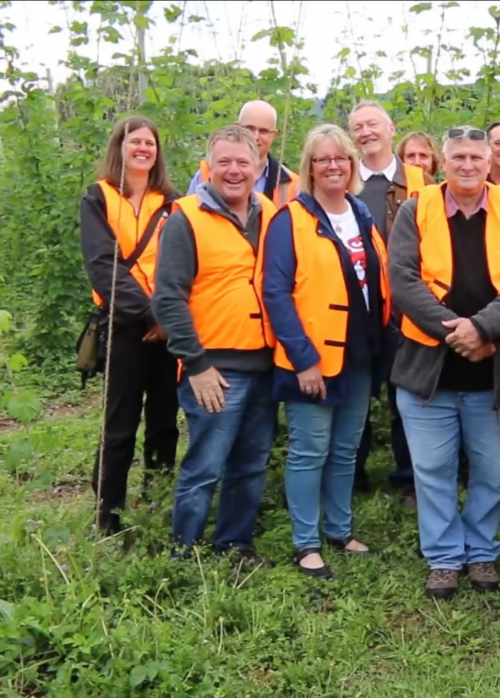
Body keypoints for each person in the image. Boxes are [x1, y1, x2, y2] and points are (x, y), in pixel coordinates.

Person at [389, 125, 500, 599]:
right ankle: (443, 558)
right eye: (458, 158)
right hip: (428, 369)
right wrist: (454, 331)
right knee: (432, 469)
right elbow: (402, 278)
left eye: (476, 157)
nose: (468, 166)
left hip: (492, 367)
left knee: (492, 470)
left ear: (489, 161)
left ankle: (480, 551)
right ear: (444, 162)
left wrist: (484, 328)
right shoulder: (416, 209)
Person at [260, 124, 391, 579]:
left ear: (352, 164)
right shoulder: (290, 218)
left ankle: (339, 529)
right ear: (309, 168)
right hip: (313, 358)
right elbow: (274, 292)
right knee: (309, 450)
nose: (332, 166)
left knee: (346, 449)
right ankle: (305, 542)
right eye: (322, 159)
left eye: (341, 158)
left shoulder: (360, 212)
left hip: (359, 352)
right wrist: (303, 359)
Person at [152, 124, 278, 564]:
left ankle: (234, 544)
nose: (234, 171)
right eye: (224, 161)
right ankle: (183, 555)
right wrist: (198, 364)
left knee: (250, 464)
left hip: (265, 364)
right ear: (208, 166)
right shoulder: (185, 217)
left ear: (258, 166)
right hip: (215, 368)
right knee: (205, 467)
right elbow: (167, 297)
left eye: (243, 162)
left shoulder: (271, 213)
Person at [79, 116, 180, 535]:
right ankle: (109, 518)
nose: (143, 149)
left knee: (163, 422)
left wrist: (167, 316)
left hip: (168, 330)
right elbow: (104, 265)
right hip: (124, 326)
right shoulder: (98, 197)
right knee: (119, 426)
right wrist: (149, 314)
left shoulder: (172, 201)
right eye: (135, 141)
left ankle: (155, 507)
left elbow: (182, 262)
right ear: (119, 147)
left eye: (150, 143)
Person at [349, 100, 434, 503]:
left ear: (391, 129)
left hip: (407, 307)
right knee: (356, 395)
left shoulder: (421, 180)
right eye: (358, 127)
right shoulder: (344, 179)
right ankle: (352, 476)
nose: (366, 132)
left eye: (373, 124)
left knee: (407, 395)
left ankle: (408, 479)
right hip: (357, 307)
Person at [186, 100, 298, 208]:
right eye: (249, 129)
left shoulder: (291, 184)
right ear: (237, 127)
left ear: (273, 135)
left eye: (263, 131)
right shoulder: (206, 173)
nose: (255, 137)